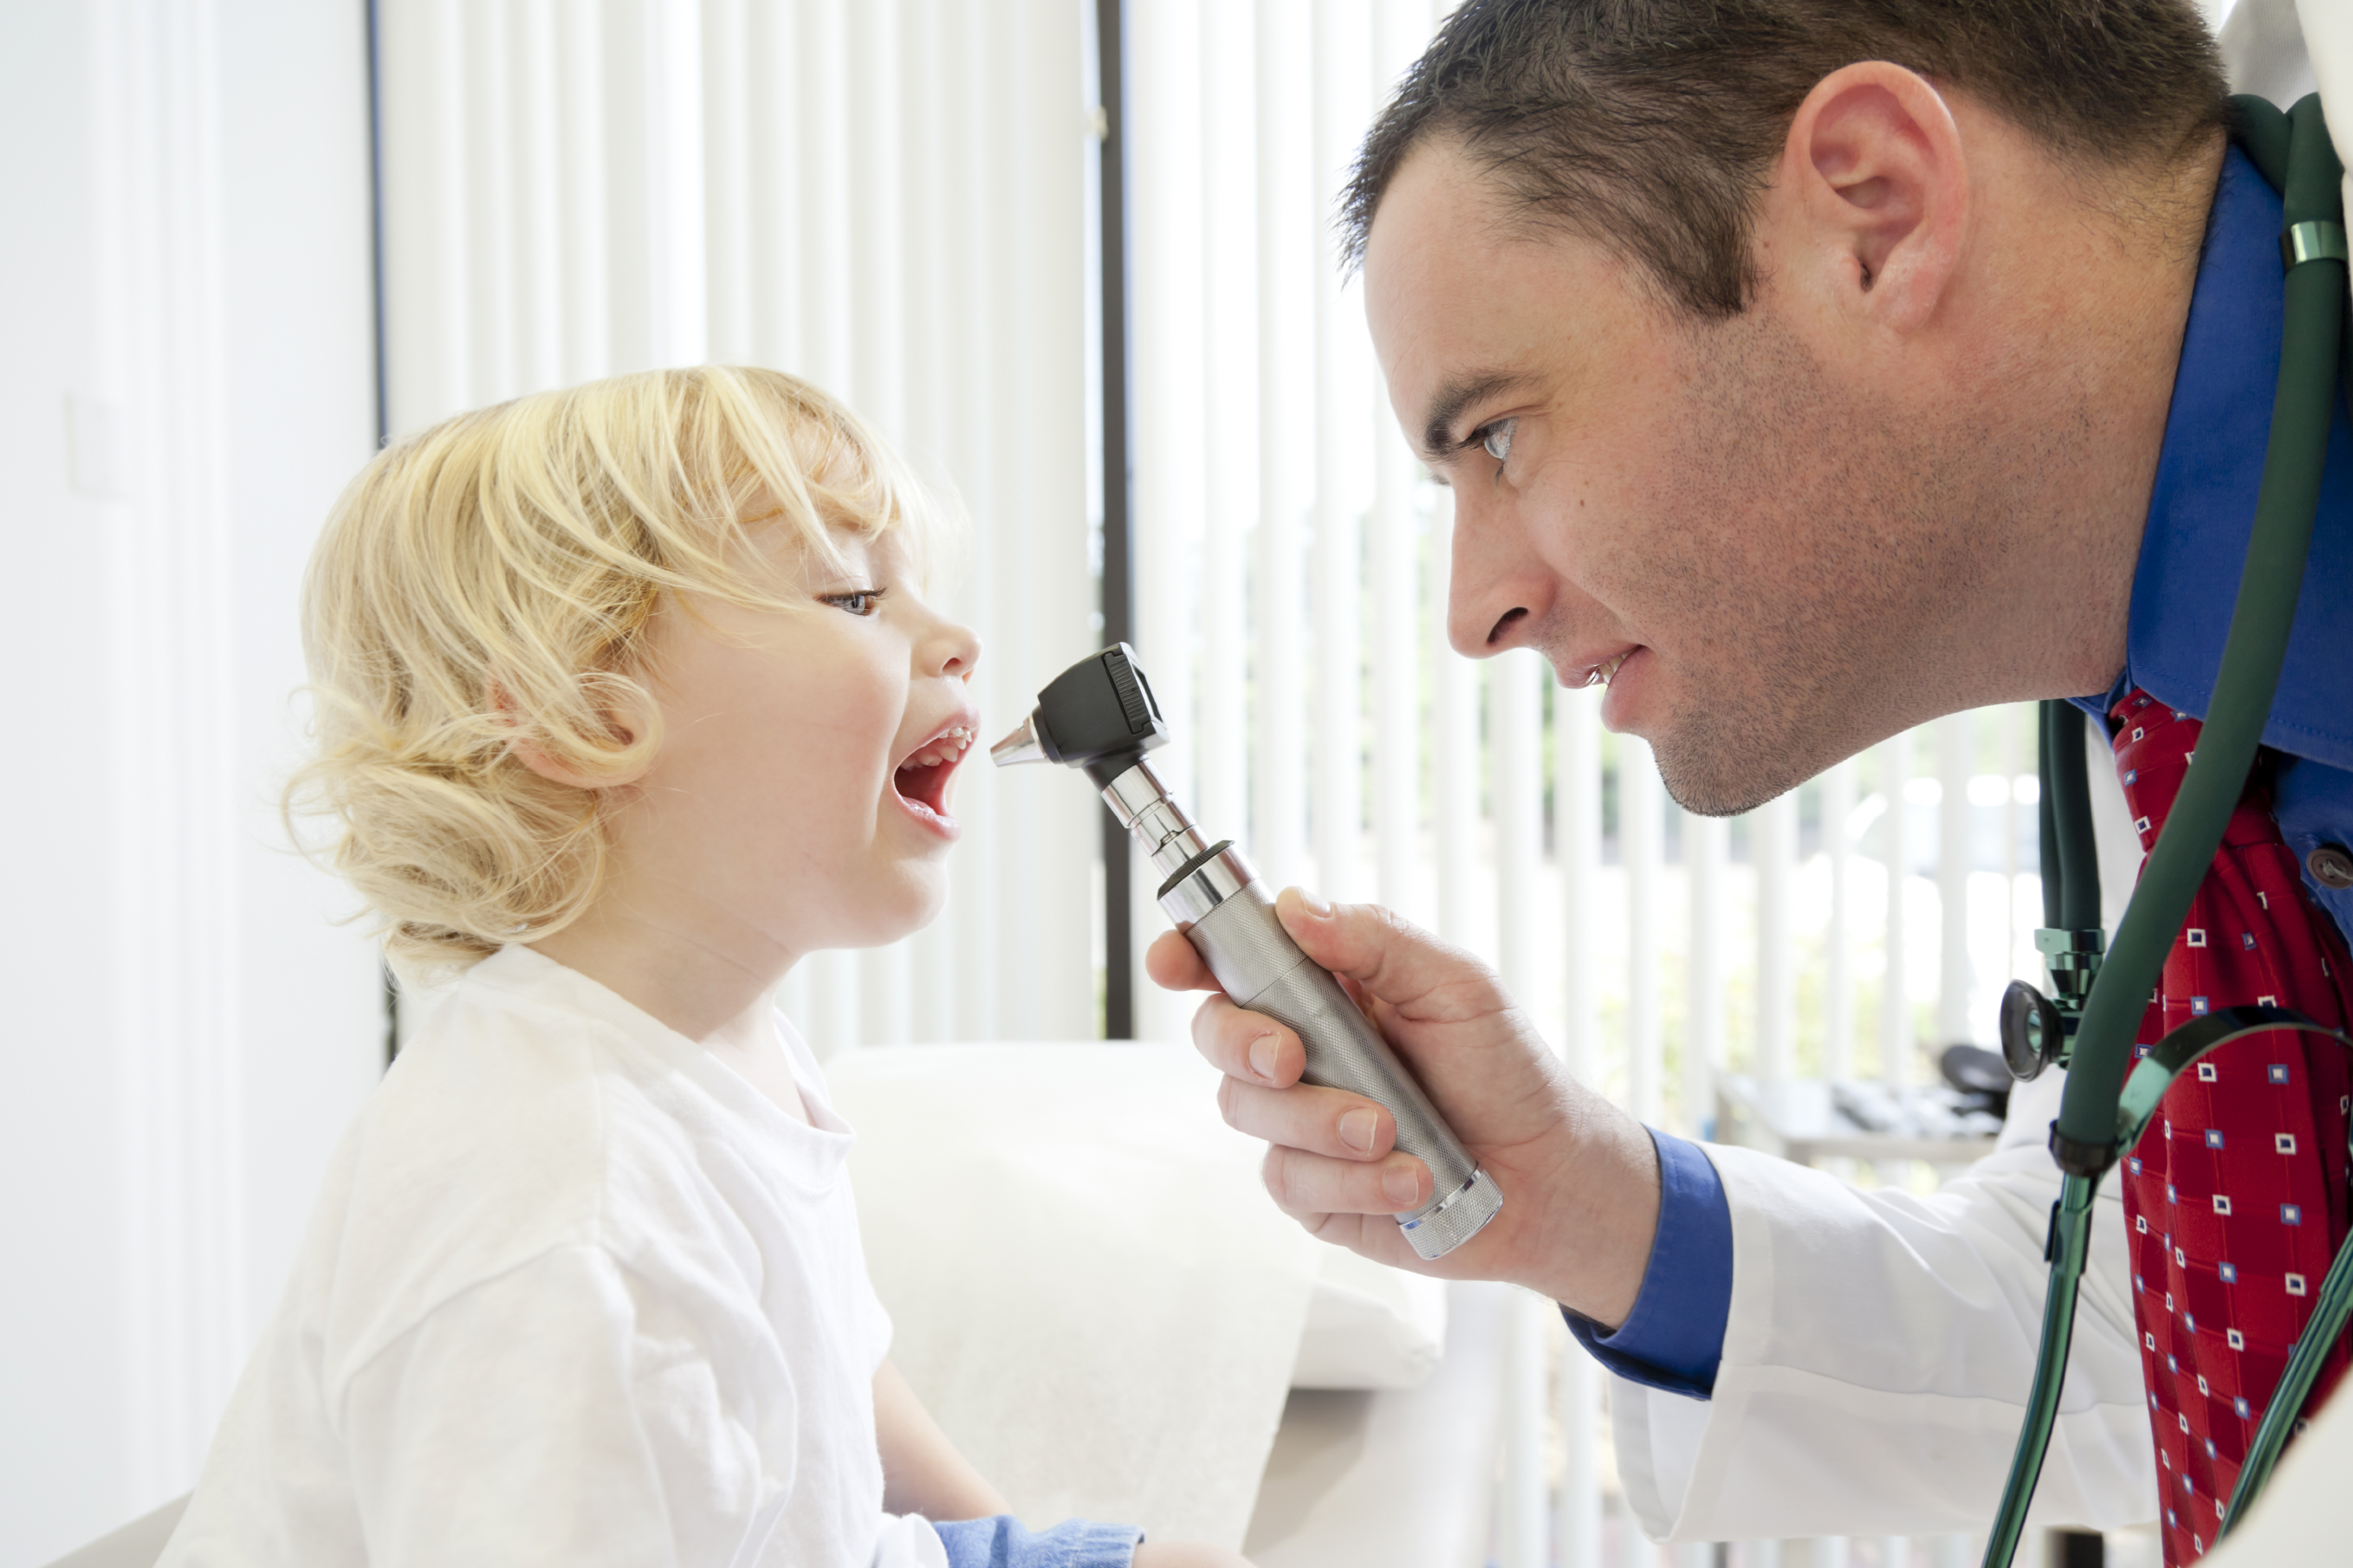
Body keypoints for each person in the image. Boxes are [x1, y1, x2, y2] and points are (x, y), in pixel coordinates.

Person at [1152, 0, 2353, 1557]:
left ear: (1873, 213)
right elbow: (2156, 1356)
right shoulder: (2174, 751)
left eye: (1500, 435)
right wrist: (1575, 1200)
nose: (1473, 612)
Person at [160, 367, 1247, 1568]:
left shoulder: (724, 1039)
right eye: (851, 594)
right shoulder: (564, 1224)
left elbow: (832, 1364)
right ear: (587, 711)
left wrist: (1019, 1546)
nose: (957, 640)